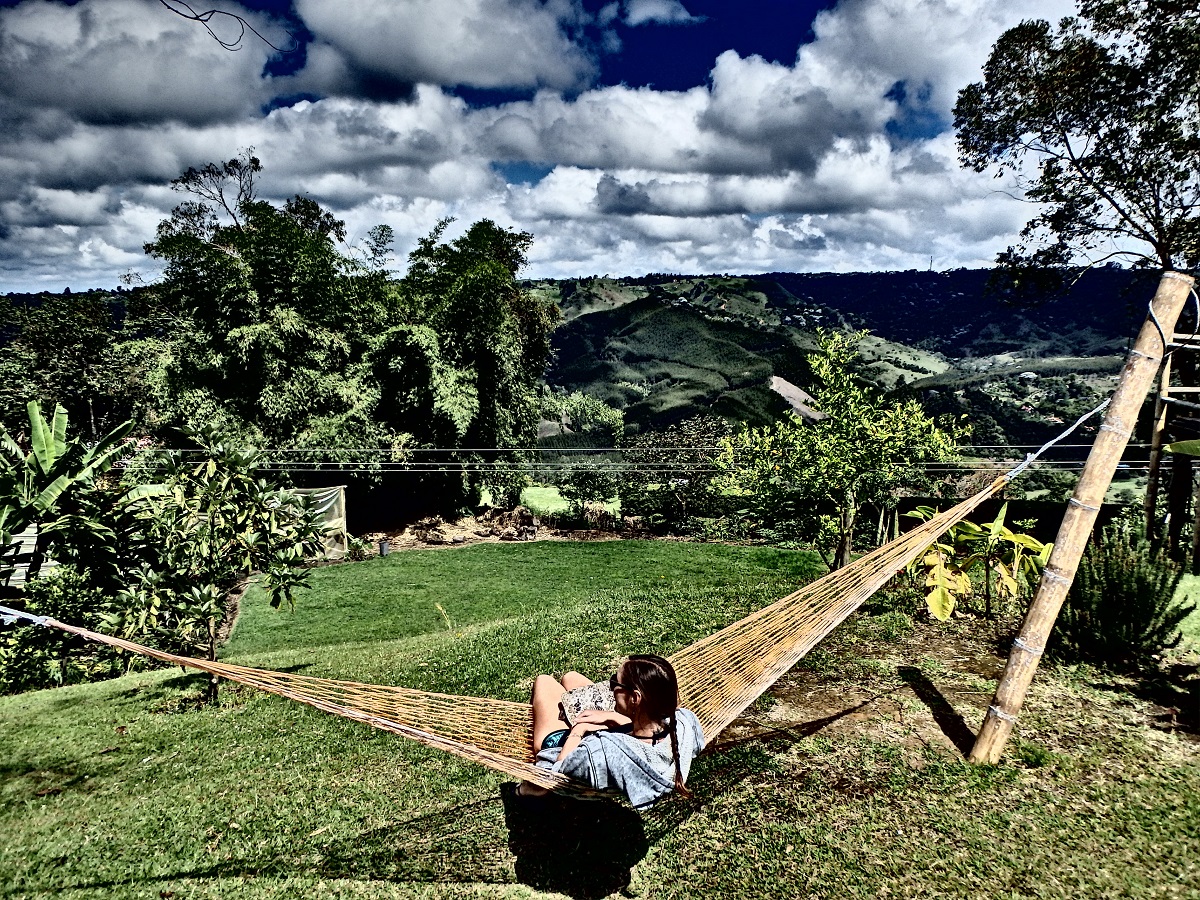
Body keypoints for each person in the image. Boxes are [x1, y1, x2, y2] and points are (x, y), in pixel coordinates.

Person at [518, 654, 704, 808]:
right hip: (629, 726)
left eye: (616, 683)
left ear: (635, 699)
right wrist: (613, 718)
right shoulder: (683, 723)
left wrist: (579, 729)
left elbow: (559, 771)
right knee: (570, 677)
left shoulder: (601, 751)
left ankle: (532, 791)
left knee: (545, 682)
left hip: (564, 744)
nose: (611, 687)